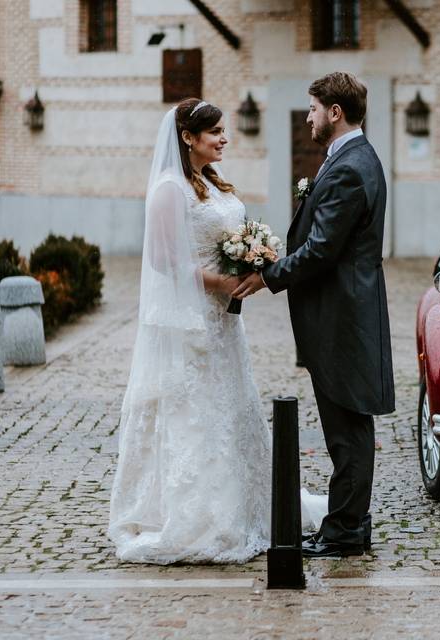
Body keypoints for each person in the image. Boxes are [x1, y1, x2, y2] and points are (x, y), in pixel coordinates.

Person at [108, 98, 326, 564]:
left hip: (224, 320)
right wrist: (222, 281)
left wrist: (259, 255)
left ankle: (249, 505)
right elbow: (164, 262)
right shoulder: (169, 188)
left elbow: (227, 237)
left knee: (233, 408)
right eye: (215, 133)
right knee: (197, 415)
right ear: (188, 137)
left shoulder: (211, 182)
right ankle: (202, 517)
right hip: (193, 321)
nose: (224, 138)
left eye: (225, 131)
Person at [233, 72, 395, 558]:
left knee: (347, 427)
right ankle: (348, 523)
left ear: (335, 113)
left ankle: (346, 530)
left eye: (312, 109)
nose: (308, 117)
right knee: (345, 425)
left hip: (342, 314)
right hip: (342, 310)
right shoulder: (352, 159)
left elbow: (323, 248)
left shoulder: (349, 166)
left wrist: (269, 275)